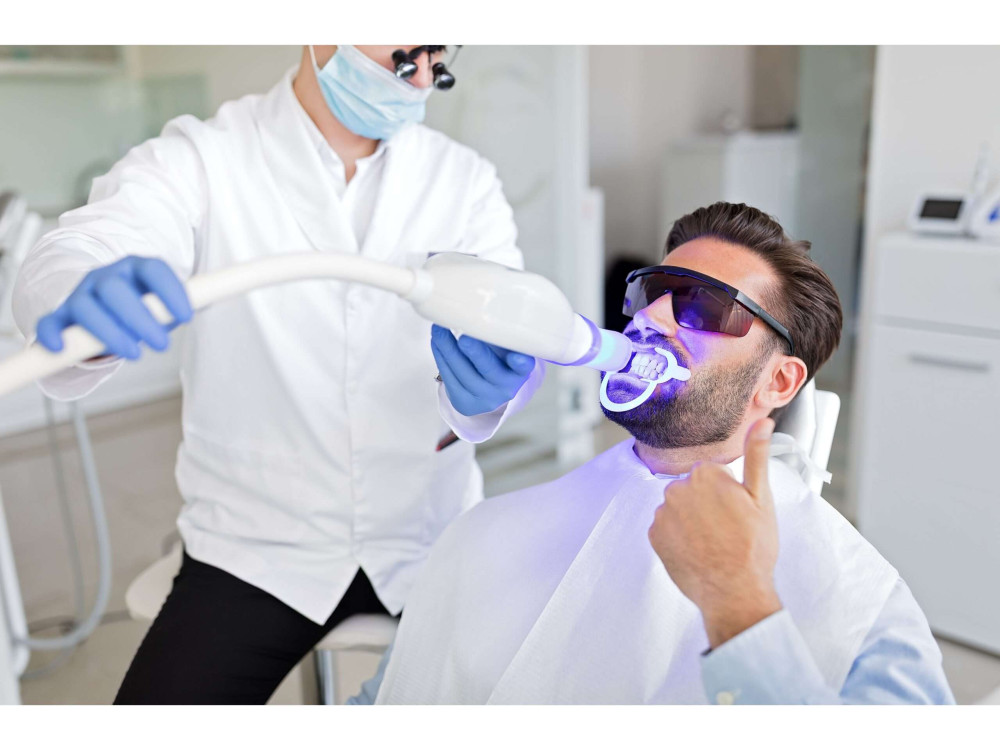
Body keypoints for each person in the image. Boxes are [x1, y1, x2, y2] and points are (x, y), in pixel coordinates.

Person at [12, 45, 544, 704]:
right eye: (403, 45)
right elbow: (85, 245)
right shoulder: (204, 156)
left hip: (429, 540)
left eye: (439, 50)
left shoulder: (463, 180)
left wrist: (501, 388)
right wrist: (76, 291)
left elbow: (513, 326)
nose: (424, 70)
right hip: (257, 549)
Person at [363, 202, 954, 704]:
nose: (650, 316)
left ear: (778, 383)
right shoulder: (495, 530)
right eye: (652, 292)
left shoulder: (861, 602)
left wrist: (740, 609)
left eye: (704, 305)